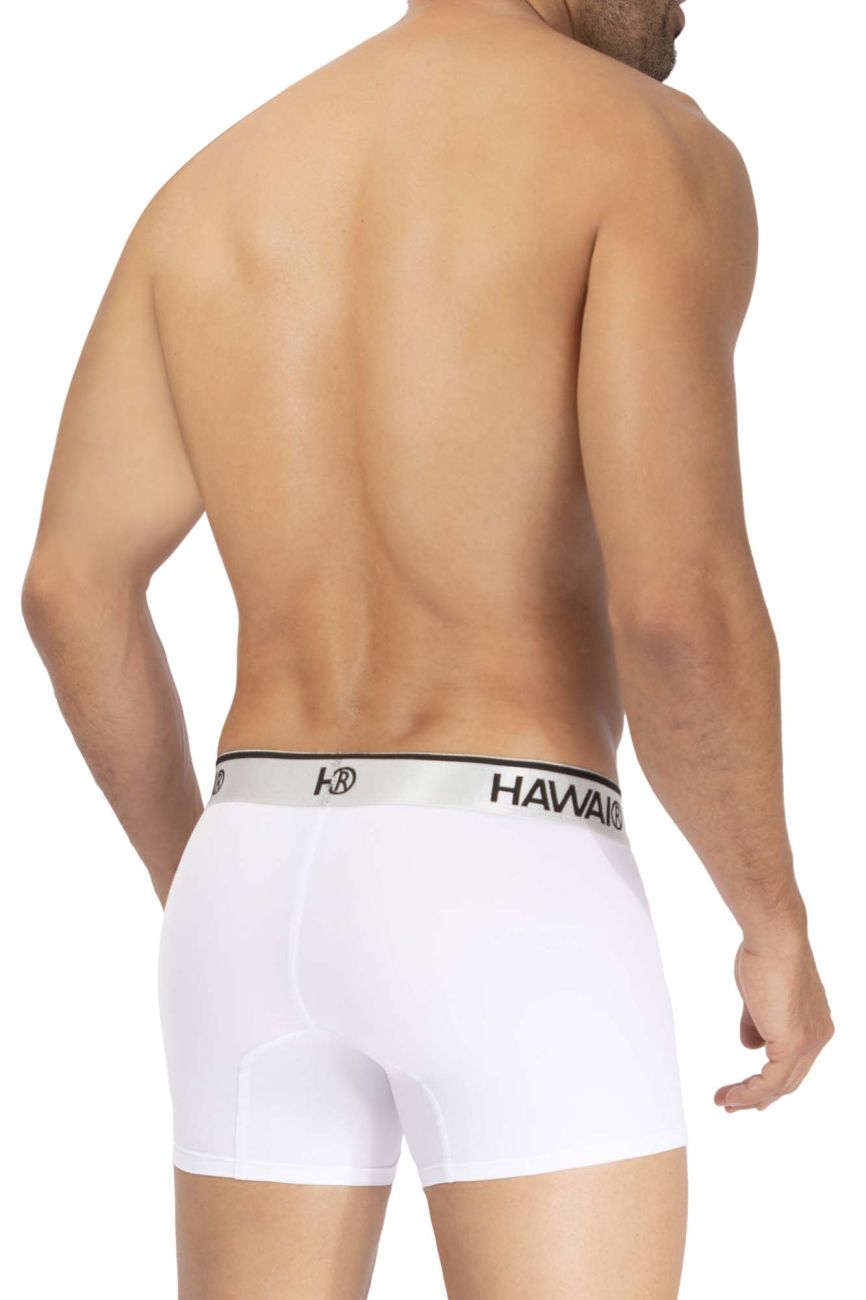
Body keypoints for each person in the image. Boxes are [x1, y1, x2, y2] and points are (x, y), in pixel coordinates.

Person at [21, 1, 834, 1296]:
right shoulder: (645, 149)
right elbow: (677, 607)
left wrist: (214, 883)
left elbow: (71, 586)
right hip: (507, 873)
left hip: (249, 882)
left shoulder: (210, 188)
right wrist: (771, 918)